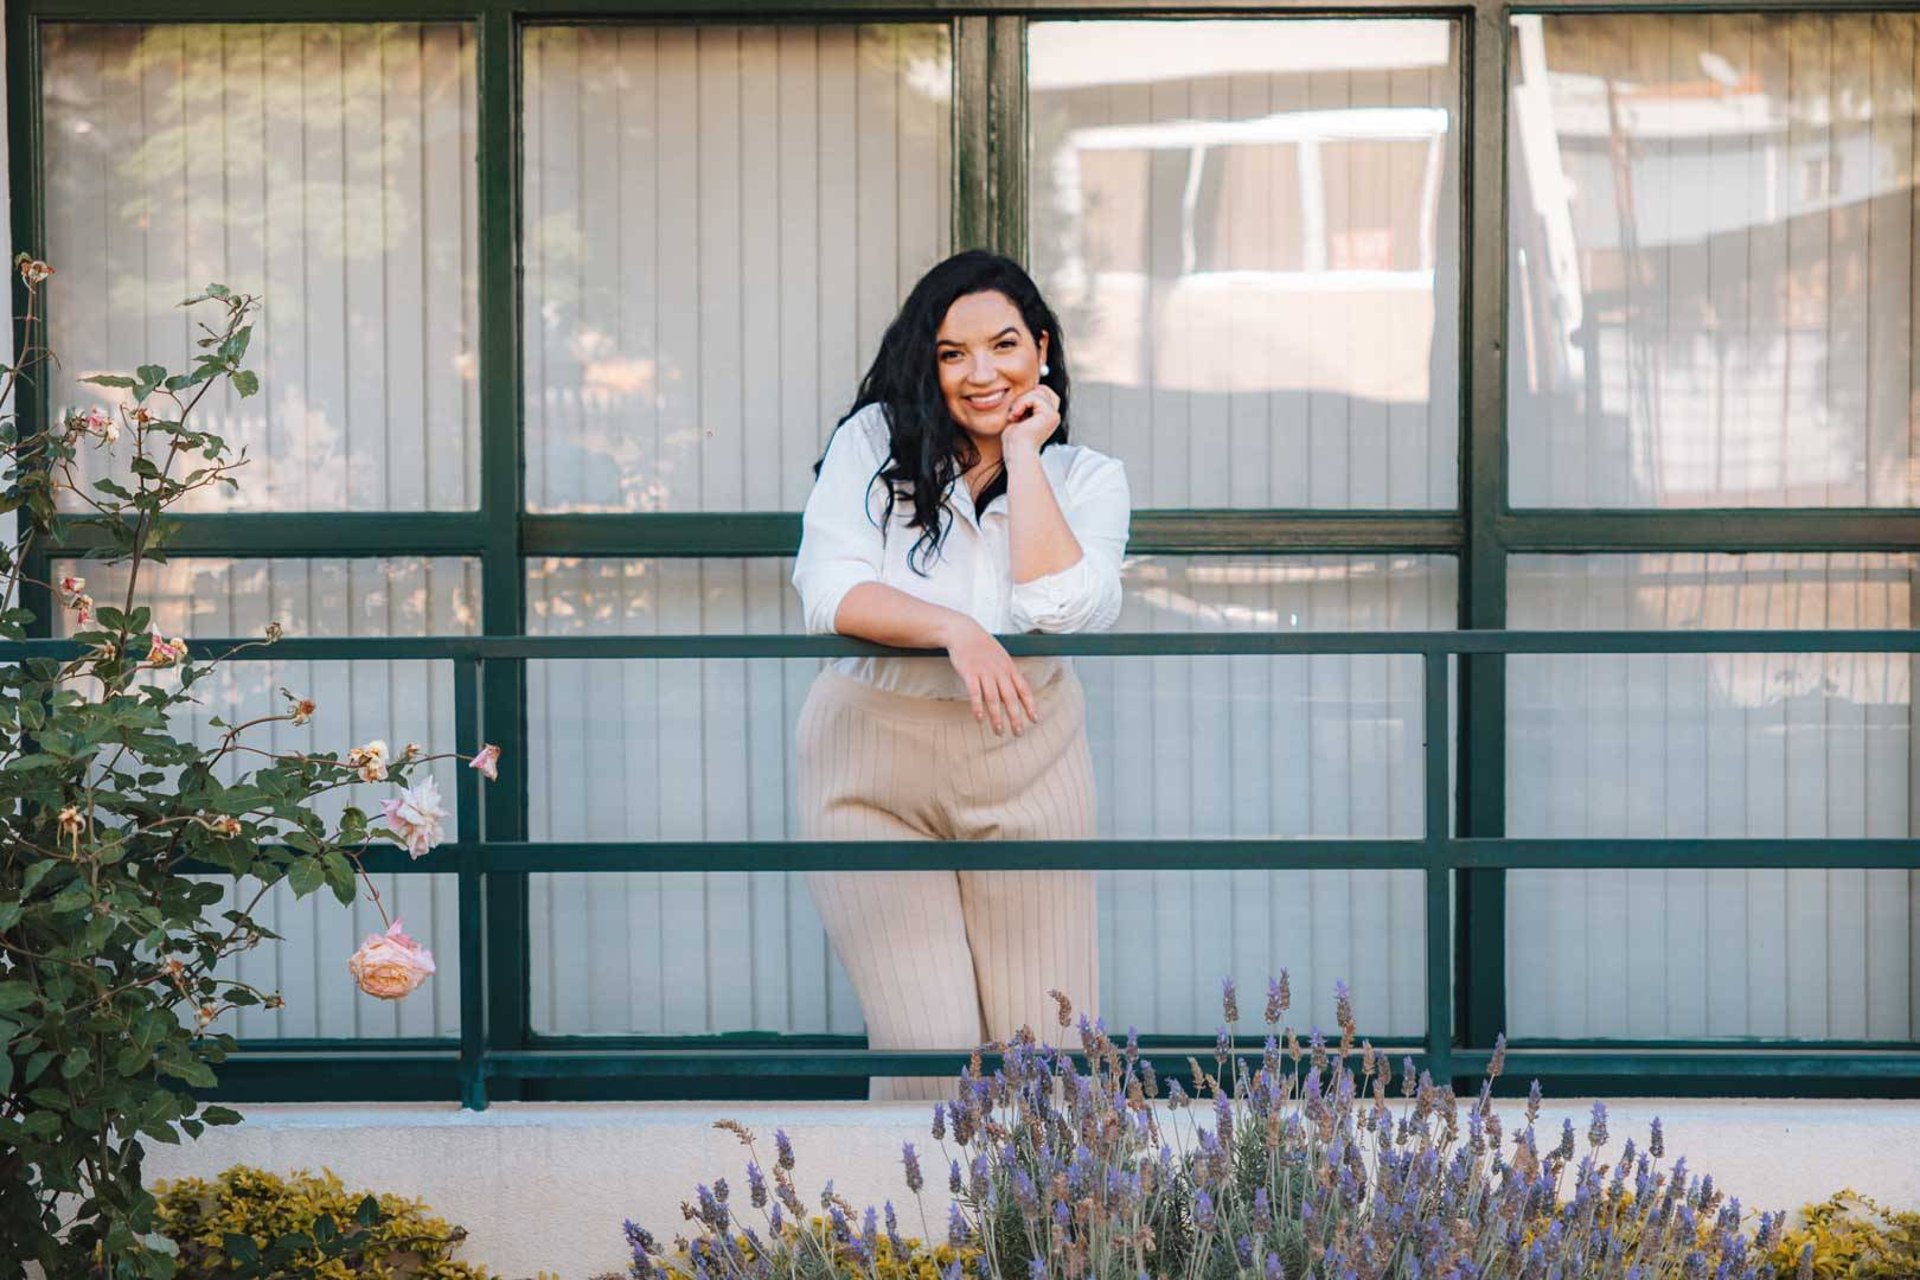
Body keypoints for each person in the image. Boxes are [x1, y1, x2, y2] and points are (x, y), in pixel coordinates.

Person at [791, 249, 1131, 1099]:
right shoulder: (872, 445)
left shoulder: (1089, 479)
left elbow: (1063, 606)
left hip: (1030, 762)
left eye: (1004, 345)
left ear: (1041, 349)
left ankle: (1047, 1198)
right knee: (927, 1054)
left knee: (1049, 1055)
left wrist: (1023, 453)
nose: (981, 374)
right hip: (871, 768)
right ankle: (914, 1198)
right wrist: (956, 630)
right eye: (952, 353)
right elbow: (828, 590)